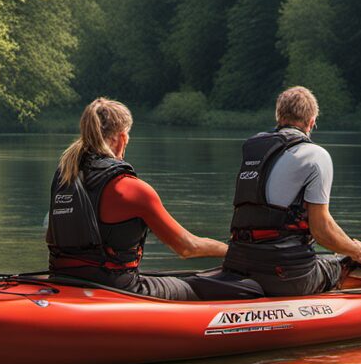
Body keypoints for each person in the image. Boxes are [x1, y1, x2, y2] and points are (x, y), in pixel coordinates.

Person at [47, 97, 227, 300]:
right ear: (121, 138)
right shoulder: (130, 188)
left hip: (63, 280)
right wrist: (230, 251)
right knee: (206, 285)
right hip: (116, 287)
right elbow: (187, 247)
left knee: (173, 277)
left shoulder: (65, 177)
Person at [223, 85, 361, 295]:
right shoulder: (315, 155)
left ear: (279, 117)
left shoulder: (254, 147)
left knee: (335, 256)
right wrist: (358, 251)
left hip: (239, 261)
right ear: (312, 121)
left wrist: (350, 245)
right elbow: (321, 230)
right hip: (286, 274)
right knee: (343, 264)